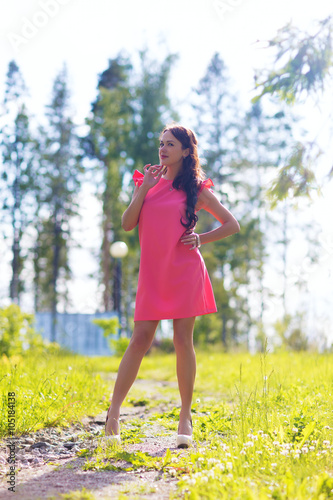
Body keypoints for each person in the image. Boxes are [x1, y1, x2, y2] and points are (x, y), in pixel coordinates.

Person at [105, 123, 240, 447]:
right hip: (153, 274)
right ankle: (113, 414)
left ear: (185, 151)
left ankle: (184, 416)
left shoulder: (196, 187)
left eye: (170, 144)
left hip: (185, 270)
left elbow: (231, 224)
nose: (163, 149)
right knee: (140, 338)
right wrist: (143, 188)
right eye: (161, 142)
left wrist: (200, 239)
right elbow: (126, 224)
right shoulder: (146, 182)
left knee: (183, 340)